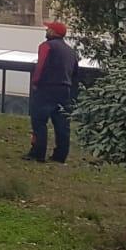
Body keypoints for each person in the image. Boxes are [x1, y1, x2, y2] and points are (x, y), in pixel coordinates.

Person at [26, 20, 79, 163]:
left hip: (46, 89)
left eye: (48, 29)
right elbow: (75, 74)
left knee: (39, 122)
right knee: (62, 125)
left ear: (53, 32)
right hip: (64, 90)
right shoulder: (71, 52)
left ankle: (38, 153)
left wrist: (35, 82)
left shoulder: (46, 46)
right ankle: (60, 156)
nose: (46, 30)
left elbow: (41, 66)